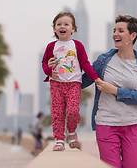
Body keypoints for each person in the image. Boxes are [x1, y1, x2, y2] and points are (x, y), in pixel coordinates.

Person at [80, 15, 137, 168]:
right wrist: (59, 70)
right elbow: (81, 82)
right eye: (114, 30)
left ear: (132, 36)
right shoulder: (103, 61)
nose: (115, 34)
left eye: (121, 30)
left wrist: (114, 91)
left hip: (134, 125)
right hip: (106, 124)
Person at [42, 11, 101, 151]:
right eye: (59, 24)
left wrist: (95, 78)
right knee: (57, 112)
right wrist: (49, 71)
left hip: (74, 83)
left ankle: (72, 132)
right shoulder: (51, 46)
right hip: (56, 84)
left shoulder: (77, 45)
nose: (62, 26)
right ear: (55, 28)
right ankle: (59, 140)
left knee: (73, 111)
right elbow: (44, 63)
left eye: (66, 24)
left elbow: (85, 63)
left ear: (73, 29)